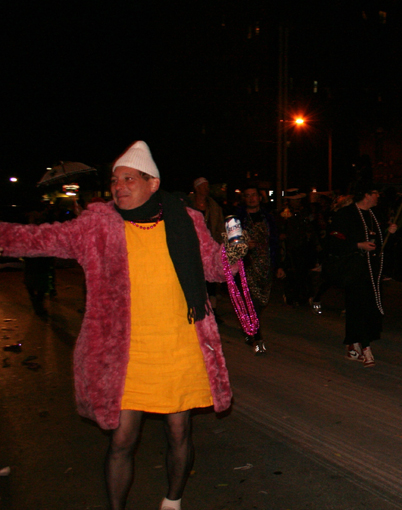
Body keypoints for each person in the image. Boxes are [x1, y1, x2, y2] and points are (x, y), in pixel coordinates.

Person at [0, 141, 243, 510]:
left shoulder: (186, 220)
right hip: (126, 351)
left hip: (180, 345)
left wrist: (234, 255)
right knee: (122, 440)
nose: (119, 186)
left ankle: (172, 502)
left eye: (129, 178)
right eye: (115, 180)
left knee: (179, 432)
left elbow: (213, 268)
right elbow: (38, 238)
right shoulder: (97, 224)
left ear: (153, 183)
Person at [328, 182, 397, 367]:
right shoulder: (346, 214)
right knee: (358, 307)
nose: (378, 197)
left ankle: (354, 343)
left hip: (372, 272)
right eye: (375, 193)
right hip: (353, 270)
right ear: (366, 195)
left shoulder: (375, 215)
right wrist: (358, 245)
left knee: (368, 308)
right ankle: (365, 347)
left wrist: (388, 232)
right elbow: (334, 242)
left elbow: (378, 241)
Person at [236, 184, 282, 354]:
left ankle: (249, 327)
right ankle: (257, 337)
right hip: (247, 265)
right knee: (253, 302)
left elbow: (275, 242)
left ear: (259, 197)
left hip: (266, 265)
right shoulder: (238, 219)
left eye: (253, 195)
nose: (251, 198)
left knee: (262, 301)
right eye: (247, 195)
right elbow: (229, 243)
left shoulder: (268, 218)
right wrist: (243, 245)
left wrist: (278, 265)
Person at [188, 177, 226, 318]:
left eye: (207, 186)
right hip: (192, 248)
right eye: (203, 186)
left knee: (211, 282)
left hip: (209, 248)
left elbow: (220, 227)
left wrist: (220, 245)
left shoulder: (214, 207)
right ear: (197, 188)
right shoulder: (187, 204)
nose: (206, 189)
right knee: (195, 280)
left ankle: (212, 311)